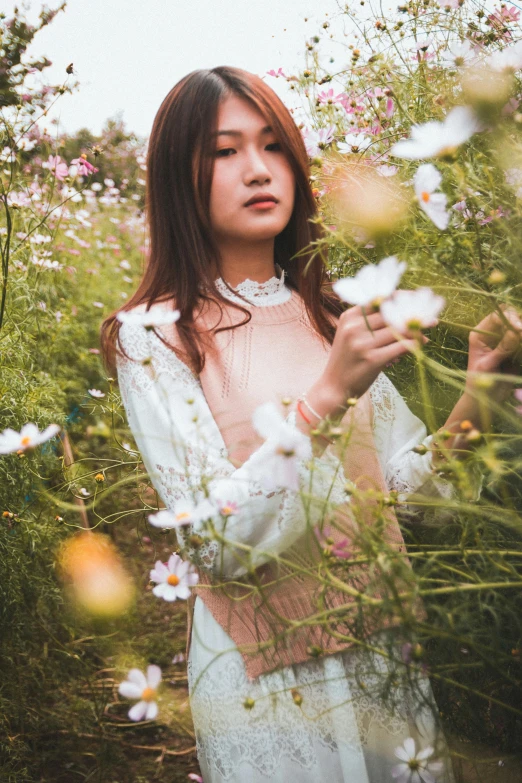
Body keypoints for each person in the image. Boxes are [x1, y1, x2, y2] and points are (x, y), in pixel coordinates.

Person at [101, 66, 521, 783]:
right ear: (180, 176)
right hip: (264, 676)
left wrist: (477, 394)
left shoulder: (329, 313)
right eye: (225, 151)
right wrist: (324, 399)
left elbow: (413, 507)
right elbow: (217, 541)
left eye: (273, 145)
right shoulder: (154, 336)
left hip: (381, 650)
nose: (258, 169)